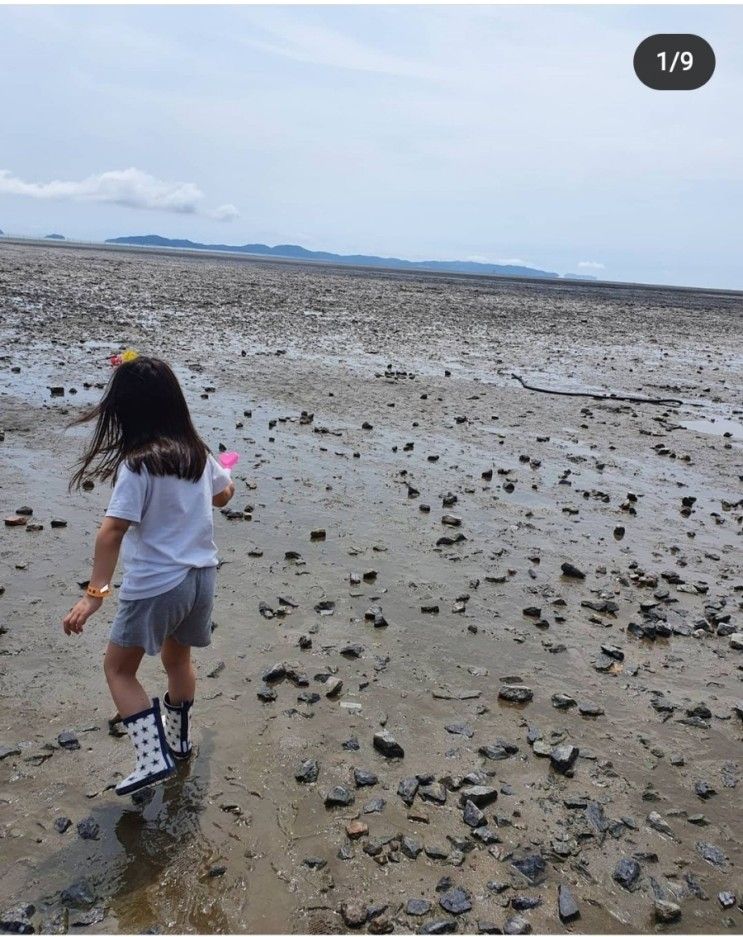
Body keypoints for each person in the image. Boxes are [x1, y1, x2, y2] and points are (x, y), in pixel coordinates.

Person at [62, 353, 235, 796]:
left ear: (125, 413)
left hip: (159, 583)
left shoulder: (138, 463)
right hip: (201, 580)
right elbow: (224, 497)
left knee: (118, 669)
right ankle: (177, 741)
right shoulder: (198, 454)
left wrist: (94, 594)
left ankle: (150, 756)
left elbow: (111, 531)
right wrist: (225, 472)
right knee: (179, 661)